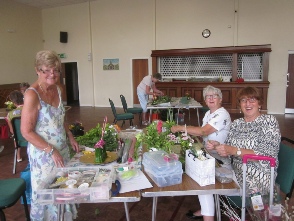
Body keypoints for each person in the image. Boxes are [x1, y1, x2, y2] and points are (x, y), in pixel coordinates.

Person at [21, 50, 79, 220]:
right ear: (37, 70)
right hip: (44, 155)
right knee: (49, 194)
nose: (51, 74)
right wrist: (50, 150)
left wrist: (70, 135)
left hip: (62, 151)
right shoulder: (32, 95)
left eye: (55, 70)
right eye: (46, 70)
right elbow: (26, 131)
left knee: (63, 189)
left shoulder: (58, 89)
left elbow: (60, 117)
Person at [206, 87, 281, 217]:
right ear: (240, 104)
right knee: (204, 180)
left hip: (257, 178)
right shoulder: (237, 124)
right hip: (235, 172)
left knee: (207, 186)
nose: (247, 104)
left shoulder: (269, 122)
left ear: (260, 103)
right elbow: (229, 149)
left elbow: (266, 154)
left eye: (252, 99)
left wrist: (234, 150)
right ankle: (208, 215)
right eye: (243, 100)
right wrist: (219, 146)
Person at [171, 85, 231, 221]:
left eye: (214, 96)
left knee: (203, 178)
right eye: (207, 96)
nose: (210, 98)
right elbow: (203, 136)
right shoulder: (208, 114)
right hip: (210, 156)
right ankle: (205, 209)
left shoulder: (222, 114)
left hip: (221, 161)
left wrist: (181, 128)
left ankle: (208, 216)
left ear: (220, 99)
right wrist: (191, 138)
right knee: (192, 168)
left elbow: (204, 131)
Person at [6, 90, 24, 162]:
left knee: (16, 136)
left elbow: (12, 130)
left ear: (13, 102)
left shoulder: (10, 114)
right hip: (31, 137)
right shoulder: (29, 110)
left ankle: (18, 157)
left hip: (19, 139)